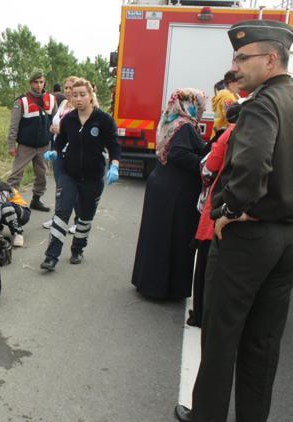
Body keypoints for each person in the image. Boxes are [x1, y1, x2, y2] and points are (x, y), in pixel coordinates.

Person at [175, 20, 293, 422]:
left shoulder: (262, 104)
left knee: (222, 335)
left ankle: (206, 415)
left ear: (271, 59)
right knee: (263, 342)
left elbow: (253, 162)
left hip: (249, 237)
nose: (236, 66)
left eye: (244, 57)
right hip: (285, 237)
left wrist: (230, 209)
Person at [131, 88, 208, 300]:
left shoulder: (170, 121)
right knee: (172, 237)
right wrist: (205, 164)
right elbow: (179, 154)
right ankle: (165, 288)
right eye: (200, 104)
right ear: (190, 104)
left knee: (156, 236)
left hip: (161, 185)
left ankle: (148, 283)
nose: (202, 108)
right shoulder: (184, 126)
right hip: (176, 191)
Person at [40, 78, 120, 271]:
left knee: (85, 217)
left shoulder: (104, 120)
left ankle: (77, 249)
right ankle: (52, 256)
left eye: (82, 95)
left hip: (93, 177)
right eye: (75, 95)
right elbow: (61, 141)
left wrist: (115, 165)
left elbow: (114, 146)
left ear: (91, 95)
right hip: (69, 174)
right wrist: (55, 151)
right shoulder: (69, 119)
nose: (78, 99)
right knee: (62, 212)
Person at [187, 102, 241, 328]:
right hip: (246, 213)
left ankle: (200, 314)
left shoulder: (230, 133)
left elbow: (210, 165)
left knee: (206, 267)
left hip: (220, 203)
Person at [6, 70, 57, 212]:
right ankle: (11, 203)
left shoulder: (51, 100)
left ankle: (36, 200)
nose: (39, 85)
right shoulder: (21, 101)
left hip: (44, 146)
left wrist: (55, 145)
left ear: (44, 82)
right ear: (30, 83)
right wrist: (11, 145)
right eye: (36, 82)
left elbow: (56, 122)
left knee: (42, 175)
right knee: (16, 175)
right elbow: (13, 125)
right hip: (25, 146)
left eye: (41, 82)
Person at [43, 75, 79, 235]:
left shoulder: (80, 107)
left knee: (74, 188)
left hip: (72, 153)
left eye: (71, 88)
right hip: (57, 150)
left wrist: (62, 130)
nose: (68, 90)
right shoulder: (63, 103)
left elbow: (79, 130)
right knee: (59, 187)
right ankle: (57, 218)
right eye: (66, 87)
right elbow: (56, 121)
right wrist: (52, 127)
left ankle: (79, 220)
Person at [210, 71, 240, 140]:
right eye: (238, 82)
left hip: (217, 135)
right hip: (224, 137)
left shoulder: (221, 95)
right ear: (230, 83)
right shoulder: (228, 97)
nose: (240, 84)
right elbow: (230, 118)